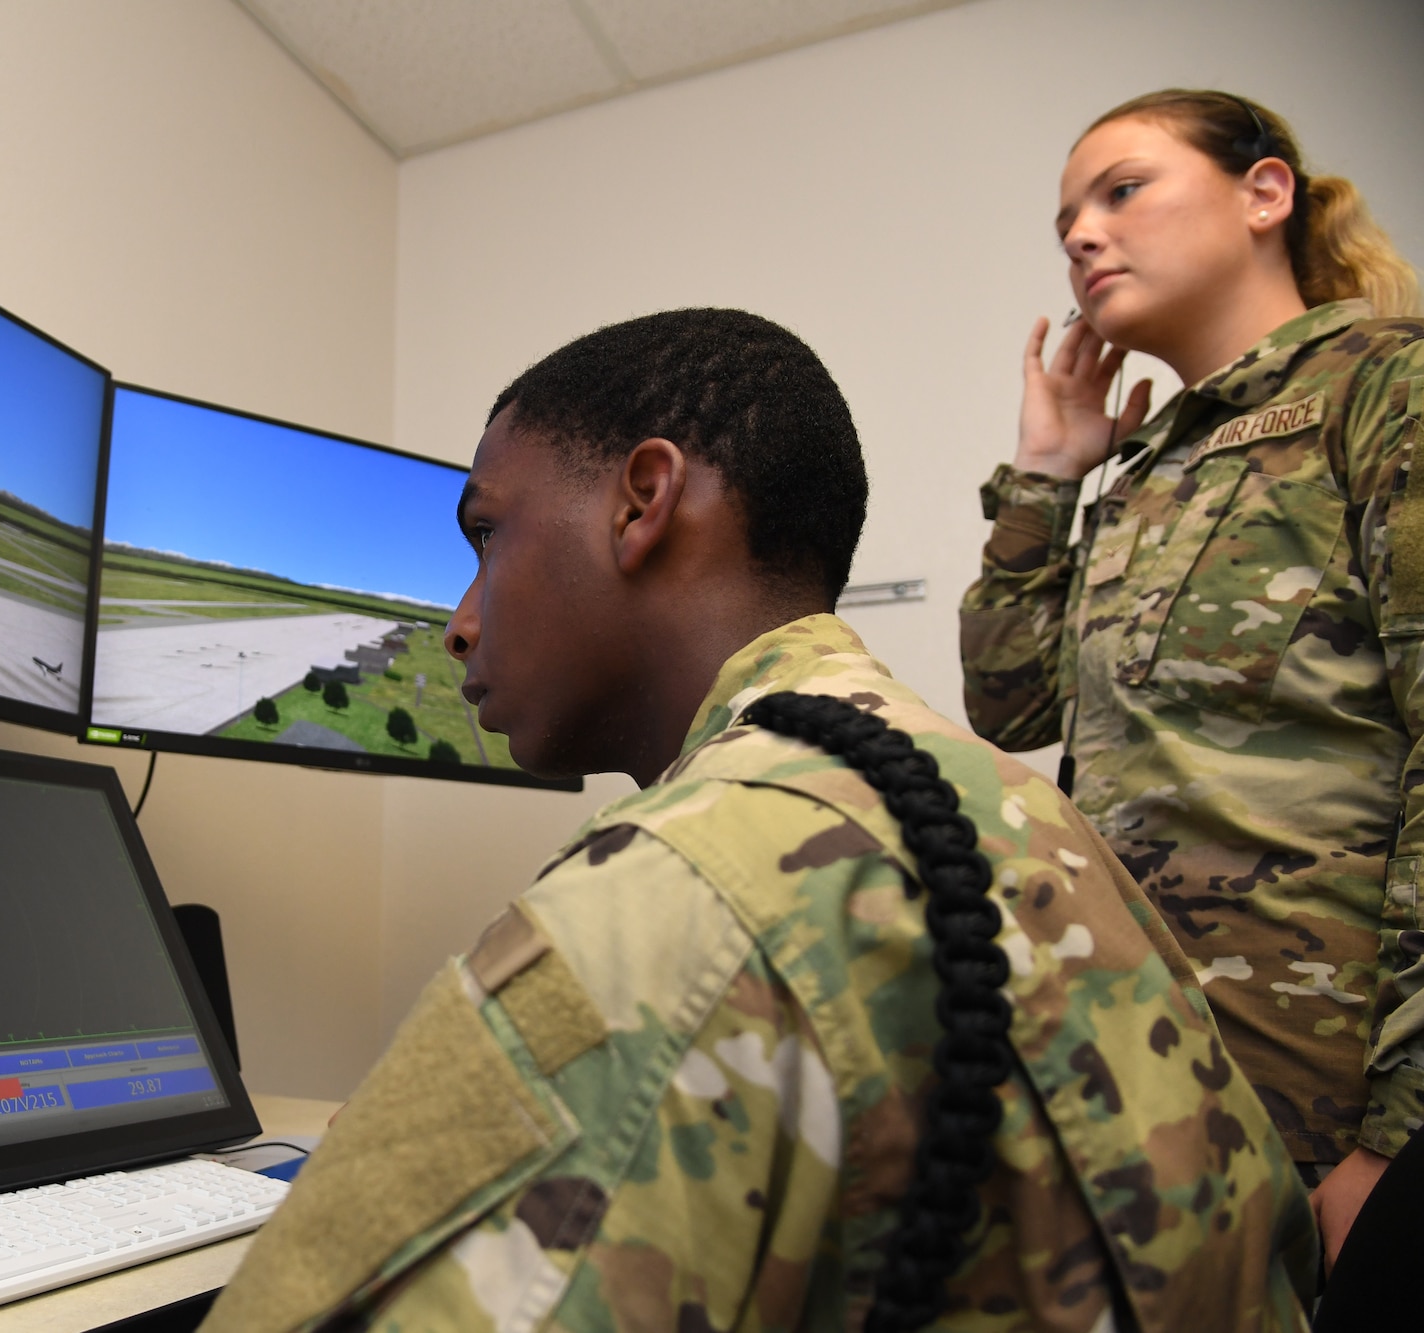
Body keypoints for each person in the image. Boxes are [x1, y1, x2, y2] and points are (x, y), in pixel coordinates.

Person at [203, 309, 1314, 1333]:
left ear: (641, 501)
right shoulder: (1026, 813)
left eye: (485, 535)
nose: (458, 622)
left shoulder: (678, 894)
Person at [958, 89, 1424, 1270]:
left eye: (1119, 191)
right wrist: (1047, 475)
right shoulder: (1143, 468)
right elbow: (1006, 708)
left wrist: (1397, 1134)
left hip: (1326, 1117)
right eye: (1064, 216)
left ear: (1262, 195)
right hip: (1140, 1079)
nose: (1078, 234)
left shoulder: (1383, 392)